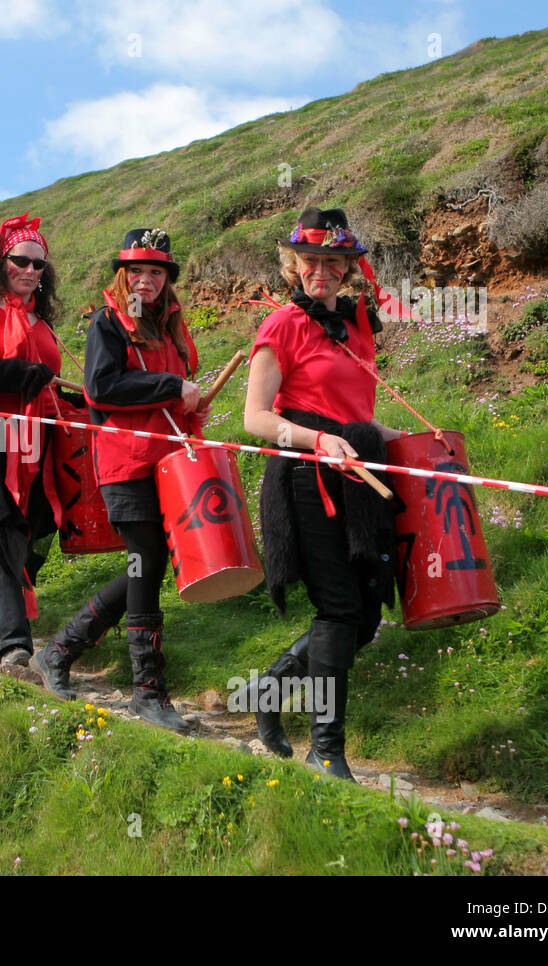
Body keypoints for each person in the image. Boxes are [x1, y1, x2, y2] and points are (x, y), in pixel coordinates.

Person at [239, 206, 403, 780]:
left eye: (333, 261)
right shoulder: (281, 325)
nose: (321, 271)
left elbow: (357, 413)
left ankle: (268, 690)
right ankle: (326, 749)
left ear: (347, 267)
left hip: (359, 474)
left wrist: (404, 440)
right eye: (311, 260)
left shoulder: (358, 323)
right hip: (306, 478)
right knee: (337, 608)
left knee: (361, 618)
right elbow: (256, 418)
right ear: (295, 264)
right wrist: (319, 440)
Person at [31, 229, 207, 733]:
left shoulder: (171, 327)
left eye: (156, 271)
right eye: (137, 271)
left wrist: (188, 400)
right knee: (145, 563)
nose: (146, 280)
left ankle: (60, 651)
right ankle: (148, 693)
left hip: (172, 462)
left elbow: (164, 392)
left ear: (166, 278)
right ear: (123, 276)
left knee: (148, 566)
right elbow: (102, 389)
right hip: (126, 464)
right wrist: (173, 387)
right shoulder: (107, 323)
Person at [0, 213, 79, 666]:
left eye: (38, 265)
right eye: (19, 261)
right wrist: (23, 374)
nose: (29, 270)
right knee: (2, 532)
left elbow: (53, 383)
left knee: (31, 533)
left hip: (37, 439)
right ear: (0, 262)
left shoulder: (44, 325)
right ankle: (14, 644)